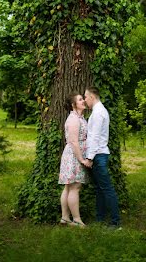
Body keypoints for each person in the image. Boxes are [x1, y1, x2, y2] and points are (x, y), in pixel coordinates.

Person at [84, 86, 121, 228]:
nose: (85, 100)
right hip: (98, 155)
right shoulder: (98, 111)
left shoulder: (99, 113)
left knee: (107, 188)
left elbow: (95, 137)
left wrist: (90, 158)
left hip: (98, 155)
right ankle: (100, 218)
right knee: (100, 188)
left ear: (92, 97)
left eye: (86, 97)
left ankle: (115, 222)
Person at [58, 93, 91, 227]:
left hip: (74, 155)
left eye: (83, 99)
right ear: (73, 105)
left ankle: (65, 218)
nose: (83, 101)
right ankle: (76, 220)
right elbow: (73, 141)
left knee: (69, 186)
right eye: (80, 99)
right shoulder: (73, 119)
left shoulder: (80, 118)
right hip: (74, 156)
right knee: (75, 187)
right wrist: (82, 159)